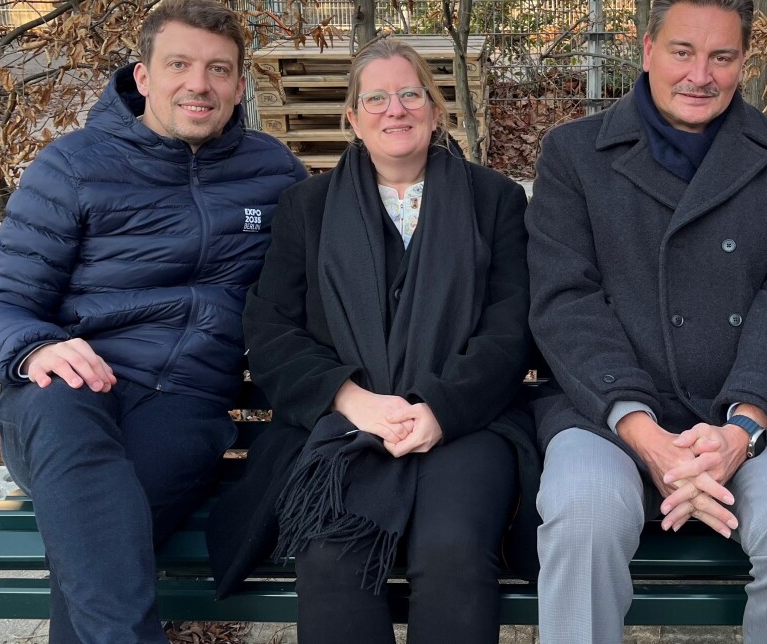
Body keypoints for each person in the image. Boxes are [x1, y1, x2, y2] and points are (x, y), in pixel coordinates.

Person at [528, 0, 767, 644]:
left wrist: (741, 430)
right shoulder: (574, 154)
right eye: (682, 51)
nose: (700, 75)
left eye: (722, 57)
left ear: (745, 61)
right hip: (610, 414)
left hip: (755, 416)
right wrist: (645, 434)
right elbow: (567, 302)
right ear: (646, 49)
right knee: (580, 513)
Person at [0, 0, 305, 643]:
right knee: (89, 492)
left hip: (180, 407)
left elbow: (330, 280)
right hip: (62, 395)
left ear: (238, 84)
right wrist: (36, 349)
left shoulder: (272, 175)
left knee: (99, 551)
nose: (198, 84)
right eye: (179, 64)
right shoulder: (73, 166)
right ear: (143, 75)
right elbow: (0, 306)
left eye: (218, 69)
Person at [204, 38, 538, 644]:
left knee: (454, 551)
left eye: (411, 94)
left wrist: (439, 408)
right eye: (376, 98)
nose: (396, 110)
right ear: (353, 118)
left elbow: (509, 328)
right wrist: (354, 401)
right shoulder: (306, 208)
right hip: (343, 427)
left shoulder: (495, 201)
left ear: (435, 111)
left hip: (466, 422)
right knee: (332, 558)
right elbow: (272, 328)